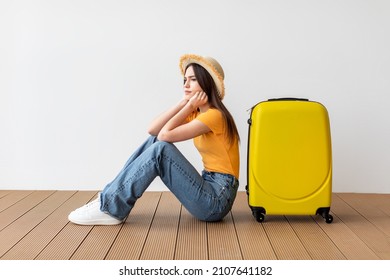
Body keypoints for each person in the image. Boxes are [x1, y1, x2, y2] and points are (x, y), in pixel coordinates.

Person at [68, 54, 240, 225]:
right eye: (184, 80)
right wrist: (183, 104)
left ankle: (110, 207)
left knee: (161, 150)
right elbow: (153, 130)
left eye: (192, 79)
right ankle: (109, 200)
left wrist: (188, 106)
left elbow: (164, 136)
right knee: (154, 142)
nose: (186, 85)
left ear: (207, 82)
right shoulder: (198, 113)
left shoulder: (215, 116)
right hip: (209, 189)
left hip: (216, 201)